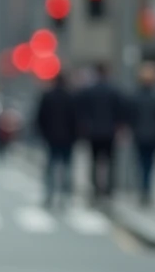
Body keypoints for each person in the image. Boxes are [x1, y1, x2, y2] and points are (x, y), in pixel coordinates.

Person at [76, 63, 126, 201]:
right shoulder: (114, 91)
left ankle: (95, 188)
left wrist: (84, 126)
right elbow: (121, 111)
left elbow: (82, 111)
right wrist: (119, 127)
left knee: (93, 161)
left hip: (93, 132)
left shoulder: (89, 91)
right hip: (110, 132)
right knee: (110, 162)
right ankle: (109, 189)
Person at [35, 72, 77, 209]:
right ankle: (65, 198)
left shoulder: (48, 96)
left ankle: (49, 195)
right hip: (68, 139)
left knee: (51, 168)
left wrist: (44, 135)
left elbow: (40, 118)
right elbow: (76, 120)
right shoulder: (71, 97)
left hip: (51, 138)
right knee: (67, 168)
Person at [130, 62, 155, 206]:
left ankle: (144, 189)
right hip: (152, 135)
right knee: (148, 165)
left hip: (142, 135)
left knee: (143, 164)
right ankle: (146, 189)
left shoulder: (137, 95)